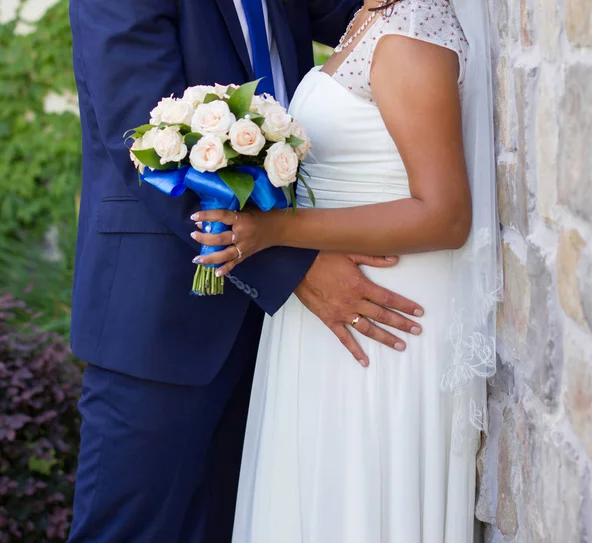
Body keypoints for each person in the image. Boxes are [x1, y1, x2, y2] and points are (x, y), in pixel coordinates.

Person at [67, 0, 427, 541]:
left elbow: (364, 12)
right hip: (162, 319)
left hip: (277, 337)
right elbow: (149, 148)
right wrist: (295, 264)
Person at [192, 0, 501, 541]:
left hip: (381, 318)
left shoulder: (413, 29)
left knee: (361, 503)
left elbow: (445, 215)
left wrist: (278, 231)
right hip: (332, 312)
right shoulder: (368, 16)